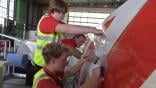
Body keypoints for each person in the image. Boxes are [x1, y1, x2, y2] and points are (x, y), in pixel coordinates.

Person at [32, 42, 101, 88]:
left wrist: (82, 60)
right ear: (53, 60)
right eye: (64, 59)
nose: (66, 62)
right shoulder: (45, 84)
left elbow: (70, 72)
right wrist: (95, 76)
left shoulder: (49, 72)